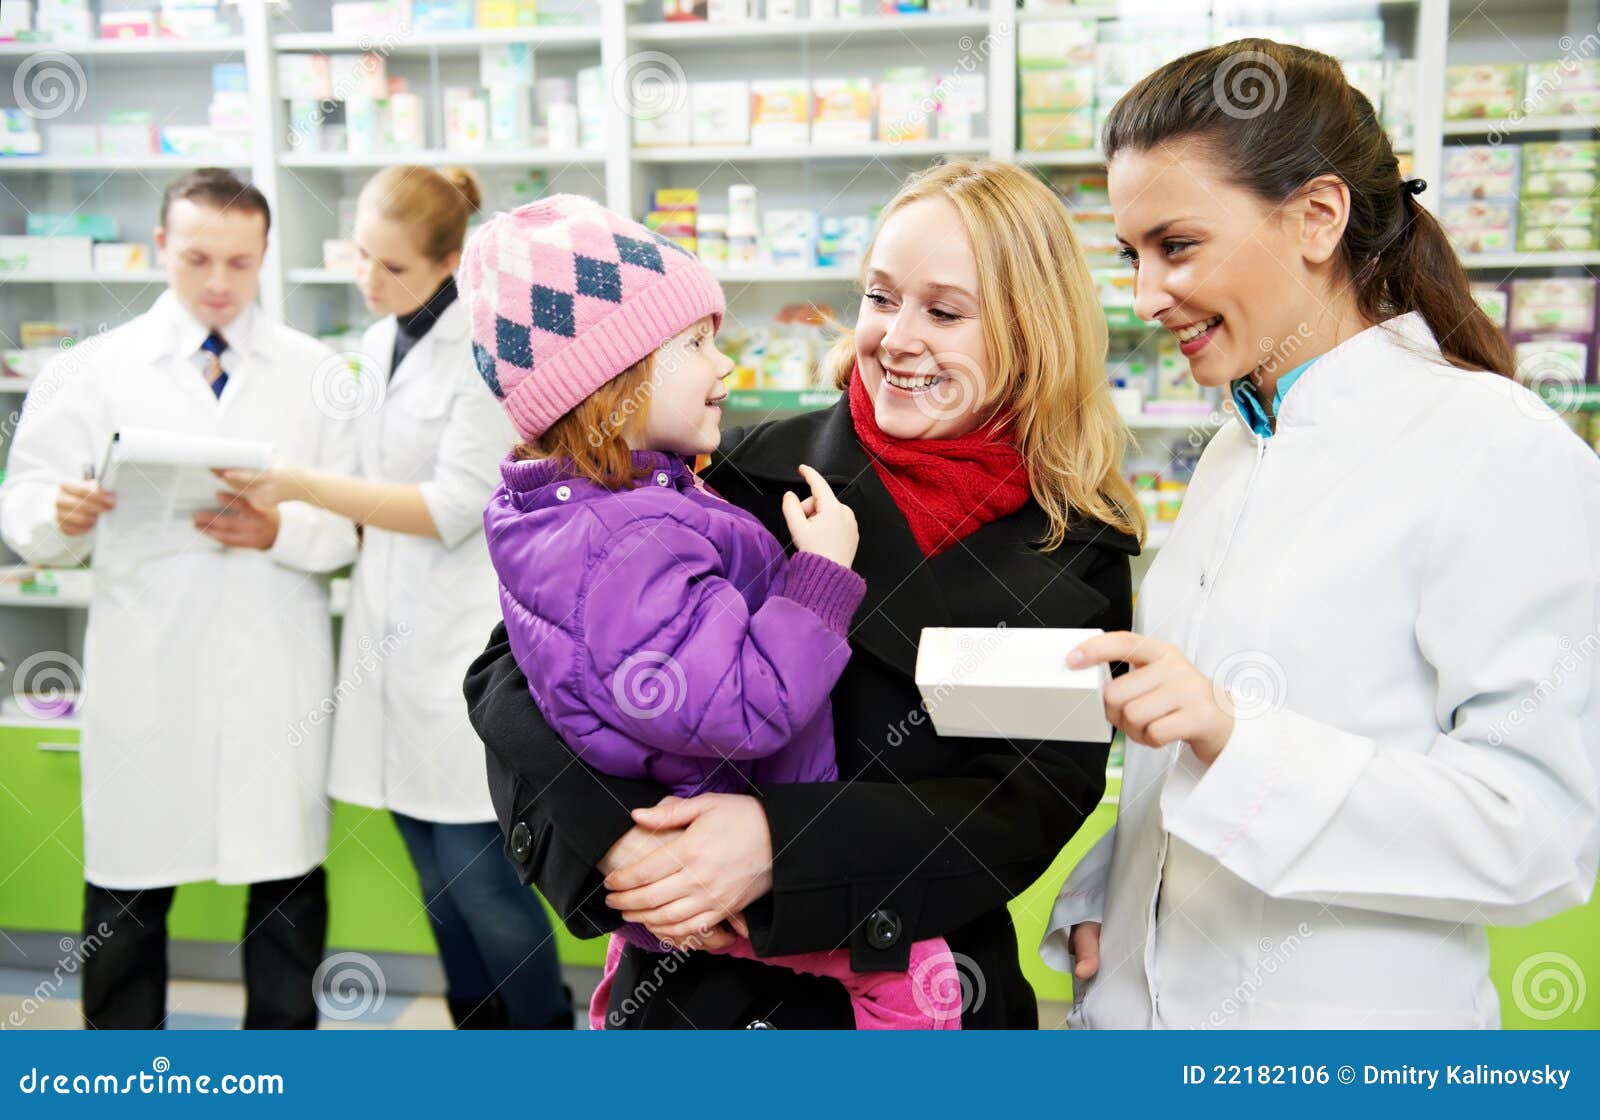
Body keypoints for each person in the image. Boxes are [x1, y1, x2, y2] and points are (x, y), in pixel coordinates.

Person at [463, 159, 1144, 1028]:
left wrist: (782, 847)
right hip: (697, 992)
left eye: (944, 311)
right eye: (879, 297)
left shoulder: (1073, 541)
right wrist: (621, 846)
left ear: (1031, 333)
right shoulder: (737, 475)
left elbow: (1026, 798)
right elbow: (513, 677)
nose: (896, 339)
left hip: (929, 984)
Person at [1043, 39, 1600, 1028]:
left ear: (1316, 216)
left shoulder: (1496, 451)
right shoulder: (1234, 453)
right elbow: (1204, 776)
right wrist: (1117, 900)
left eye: (1177, 246)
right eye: (1131, 255)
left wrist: (1233, 733)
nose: (1144, 297)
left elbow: (1540, 837)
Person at [0, 169, 359, 1029]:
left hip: (276, 668)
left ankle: (282, 1077)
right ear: (162, 245)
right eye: (197, 257)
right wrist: (62, 511)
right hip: (149, 667)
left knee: (285, 898)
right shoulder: (87, 370)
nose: (218, 281)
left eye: (239, 261)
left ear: (267, 254)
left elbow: (349, 527)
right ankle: (123, 1080)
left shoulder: (318, 374)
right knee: (127, 899)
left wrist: (277, 532)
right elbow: (24, 508)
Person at [216, 165, 571, 1029]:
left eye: (394, 268)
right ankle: (477, 1041)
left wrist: (300, 486)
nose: (371, 283)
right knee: (434, 877)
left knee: (481, 876)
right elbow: (374, 485)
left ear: (451, 261)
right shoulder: (379, 344)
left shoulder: (486, 357)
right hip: (389, 638)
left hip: (459, 644)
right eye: (362, 258)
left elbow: (450, 509)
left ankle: (550, 1042)